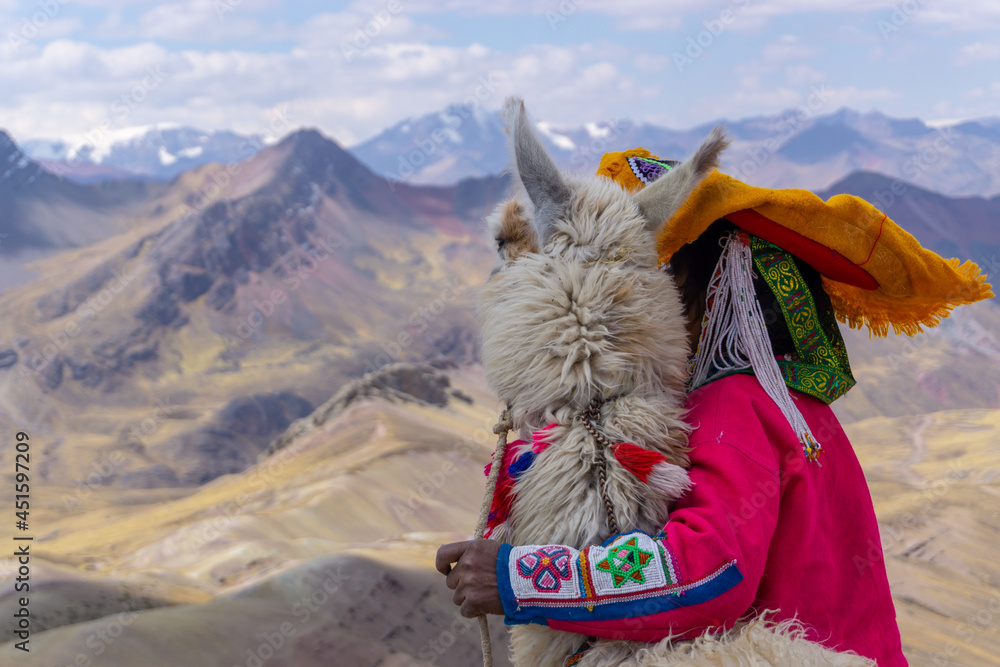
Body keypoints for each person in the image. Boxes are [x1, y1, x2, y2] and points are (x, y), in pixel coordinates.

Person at [436, 149, 993, 666]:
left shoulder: (732, 406)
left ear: (699, 284)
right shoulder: (787, 403)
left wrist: (521, 579)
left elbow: (707, 573)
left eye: (645, 278)